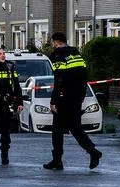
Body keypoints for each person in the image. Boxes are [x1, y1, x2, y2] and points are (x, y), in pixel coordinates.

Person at [44, 32, 102, 171]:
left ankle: (57, 160)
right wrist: (81, 97)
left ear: (55, 42)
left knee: (57, 129)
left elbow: (59, 80)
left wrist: (53, 100)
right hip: (76, 98)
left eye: (53, 43)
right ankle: (93, 151)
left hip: (64, 98)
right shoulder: (76, 55)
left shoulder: (59, 56)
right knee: (75, 127)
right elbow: (83, 78)